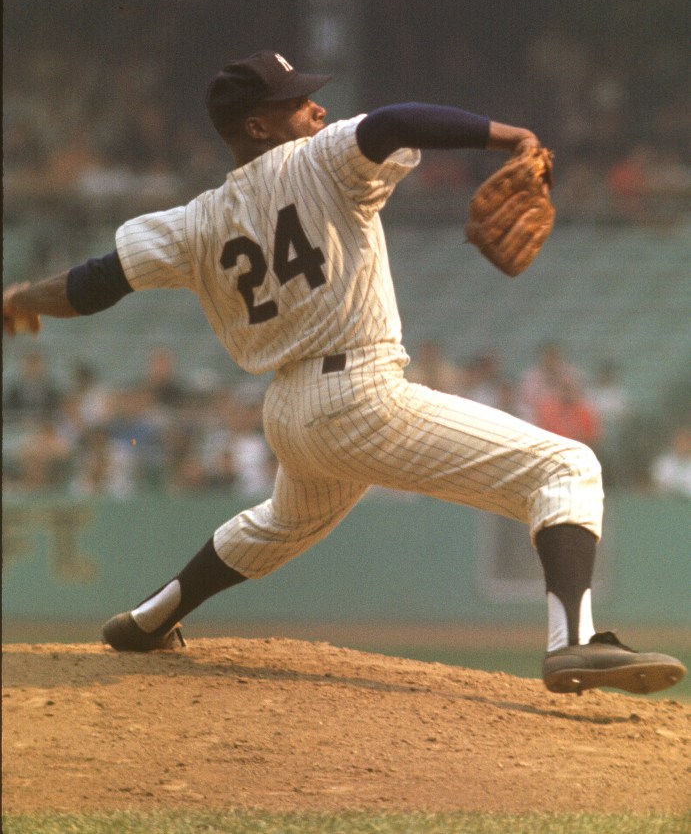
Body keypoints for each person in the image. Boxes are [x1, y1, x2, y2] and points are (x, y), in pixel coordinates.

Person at [3, 48, 685, 696]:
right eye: (298, 101)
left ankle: (149, 618)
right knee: (565, 469)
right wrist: (510, 137)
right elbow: (394, 123)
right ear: (257, 125)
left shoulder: (194, 222)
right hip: (357, 393)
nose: (317, 110)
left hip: (290, 413)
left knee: (280, 525)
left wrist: (22, 298)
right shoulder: (318, 161)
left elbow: (96, 282)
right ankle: (573, 638)